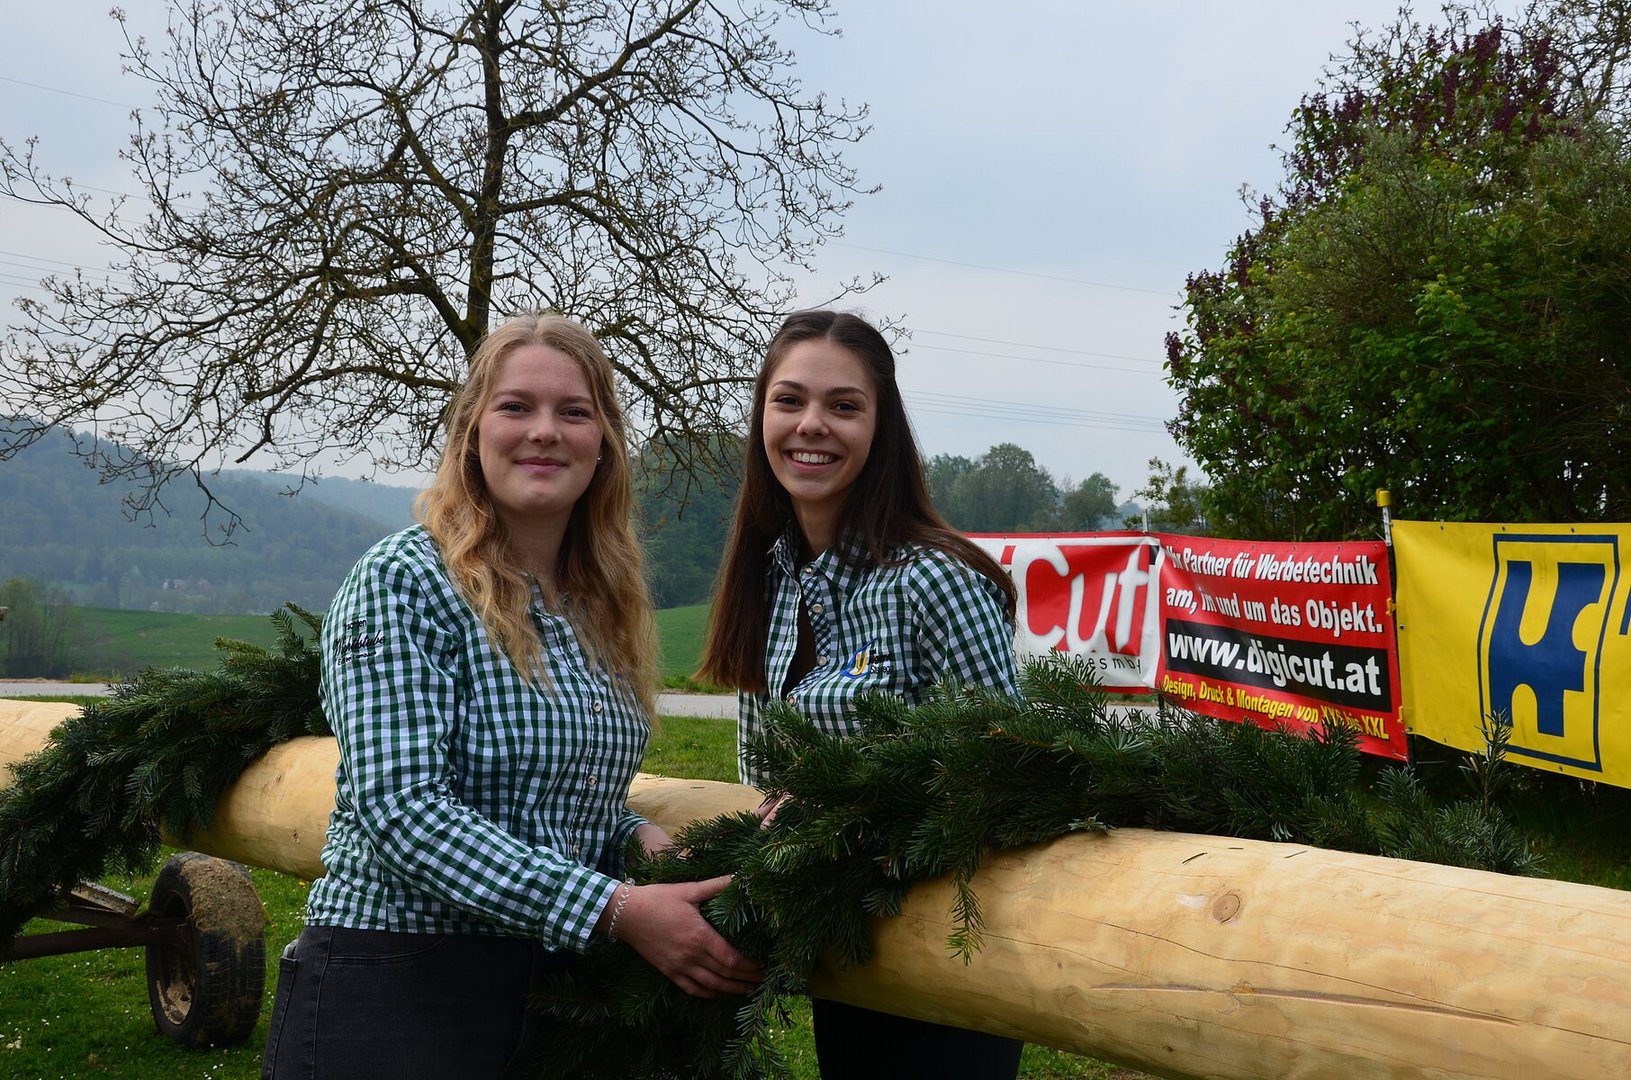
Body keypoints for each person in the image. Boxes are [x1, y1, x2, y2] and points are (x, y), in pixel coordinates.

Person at [262, 313, 761, 1080]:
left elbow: (551, 799)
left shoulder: (598, 605)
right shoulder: (405, 580)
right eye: (516, 407)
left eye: (574, 412)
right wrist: (613, 909)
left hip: (551, 991)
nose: (545, 431)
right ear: (472, 433)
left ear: (603, 444)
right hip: (397, 984)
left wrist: (633, 837)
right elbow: (401, 810)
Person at [698, 309, 1025, 1078]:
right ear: (762, 417)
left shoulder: (935, 580)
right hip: (845, 958)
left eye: (843, 406)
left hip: (945, 962)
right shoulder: (771, 580)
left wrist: (845, 820)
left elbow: (1002, 782)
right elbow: (766, 784)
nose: (811, 424)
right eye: (789, 400)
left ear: (880, 429)